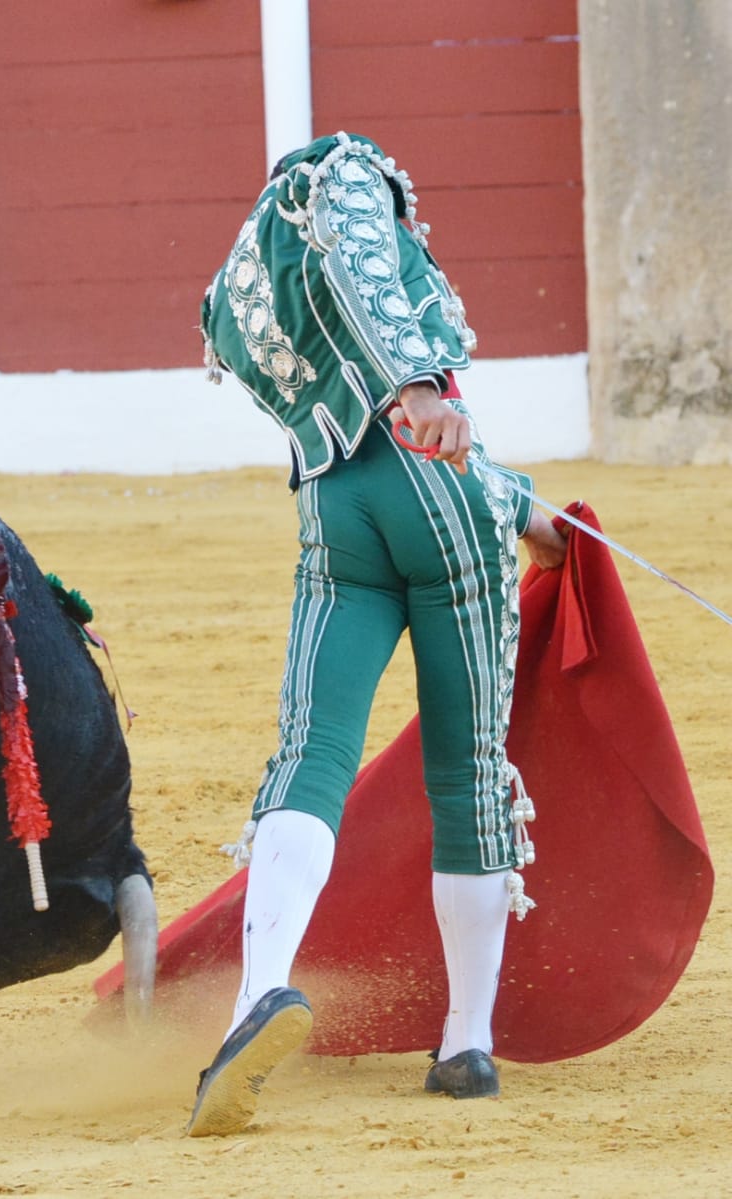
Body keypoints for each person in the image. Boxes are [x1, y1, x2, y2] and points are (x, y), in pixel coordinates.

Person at [187, 130, 570, 1137]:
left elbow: (297, 358)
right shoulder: (346, 172)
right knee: (467, 768)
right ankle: (465, 1041)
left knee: (309, 754)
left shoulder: (246, 270)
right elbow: (367, 267)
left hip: (333, 505)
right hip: (431, 488)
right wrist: (419, 387)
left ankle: (257, 993)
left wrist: (523, 503)